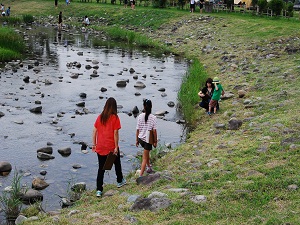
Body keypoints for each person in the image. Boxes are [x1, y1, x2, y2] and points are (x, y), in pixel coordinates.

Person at [92, 97, 126, 197]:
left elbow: (94, 131)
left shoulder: (100, 117)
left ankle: (99, 190)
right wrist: (116, 147)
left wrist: (94, 144)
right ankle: (119, 181)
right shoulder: (115, 117)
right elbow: (115, 133)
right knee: (117, 163)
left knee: (101, 169)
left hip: (100, 146)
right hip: (110, 146)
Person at [136, 99, 158, 177]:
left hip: (140, 139)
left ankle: (149, 167)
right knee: (144, 158)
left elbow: (137, 129)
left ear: (144, 107)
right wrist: (155, 141)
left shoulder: (139, 116)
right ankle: (140, 175)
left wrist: (137, 140)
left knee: (146, 153)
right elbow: (154, 131)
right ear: (151, 106)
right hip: (147, 140)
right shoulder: (153, 117)